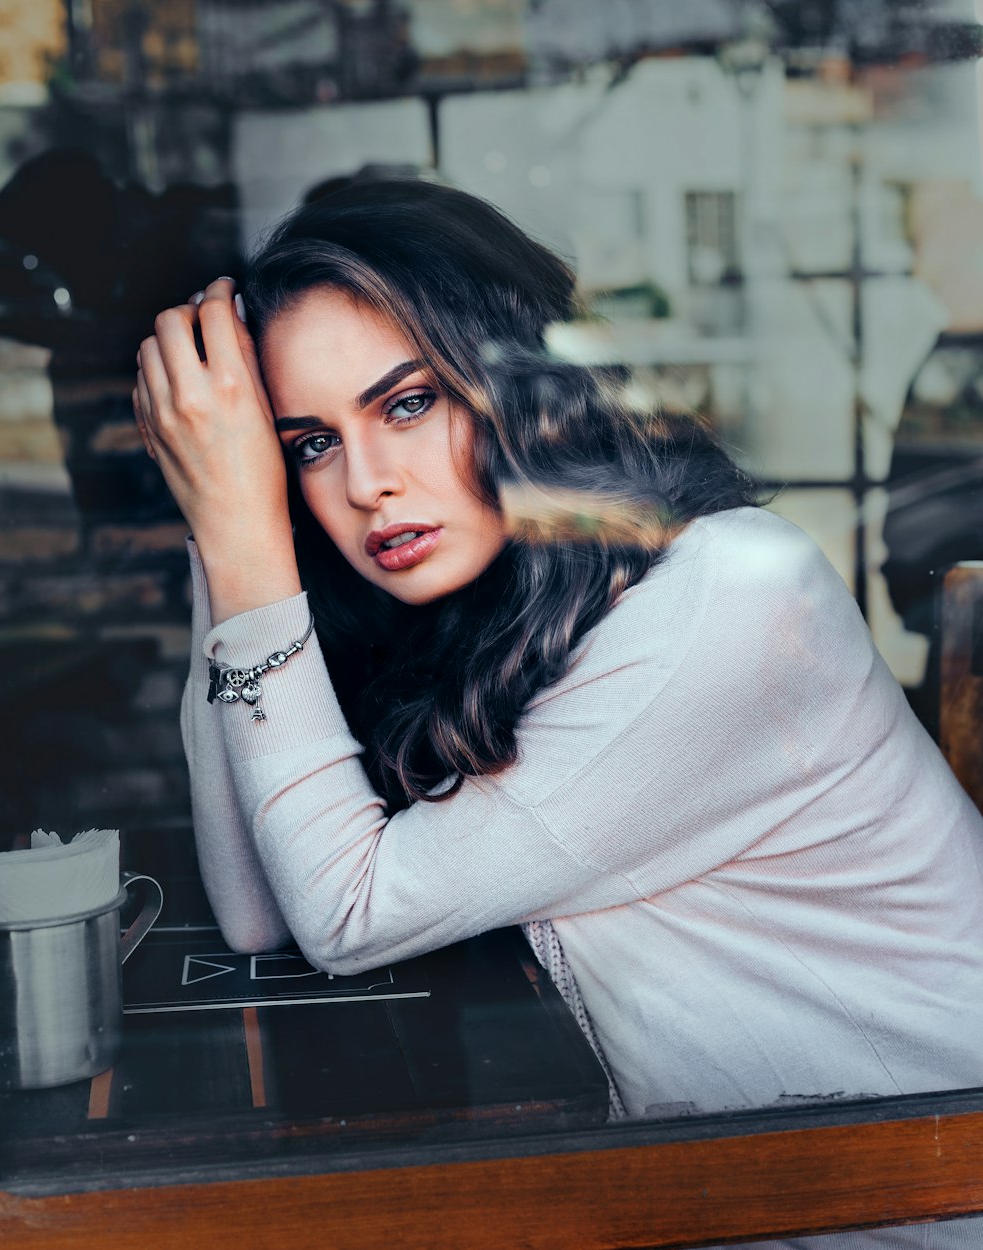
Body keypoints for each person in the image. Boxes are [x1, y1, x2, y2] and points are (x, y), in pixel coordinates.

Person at [134, 178, 983, 1247]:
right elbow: (263, 911)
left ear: (521, 380)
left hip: (928, 1211)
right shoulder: (500, 612)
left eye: (408, 402)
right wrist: (230, 530)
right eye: (308, 442)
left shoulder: (726, 596)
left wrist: (247, 539)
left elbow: (349, 914)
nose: (365, 483)